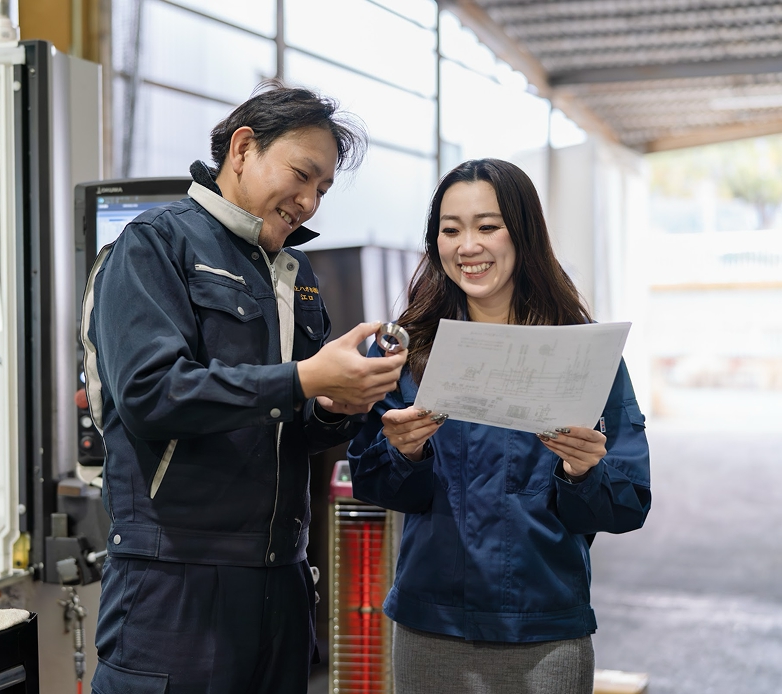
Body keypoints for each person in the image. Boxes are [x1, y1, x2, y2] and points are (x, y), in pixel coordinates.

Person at [82, 82, 407, 693]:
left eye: (323, 190)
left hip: (281, 578)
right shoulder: (155, 245)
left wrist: (337, 407)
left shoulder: (293, 270)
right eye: (302, 175)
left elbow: (293, 418)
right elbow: (152, 394)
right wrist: (307, 377)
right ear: (242, 148)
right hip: (173, 580)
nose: (309, 201)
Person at [347, 158, 651, 694]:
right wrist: (405, 455)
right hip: (430, 626)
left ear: (524, 233)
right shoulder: (405, 348)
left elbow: (629, 502)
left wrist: (583, 474)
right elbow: (372, 483)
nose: (468, 246)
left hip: (545, 630)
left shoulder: (582, 354)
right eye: (450, 229)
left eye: (487, 226)